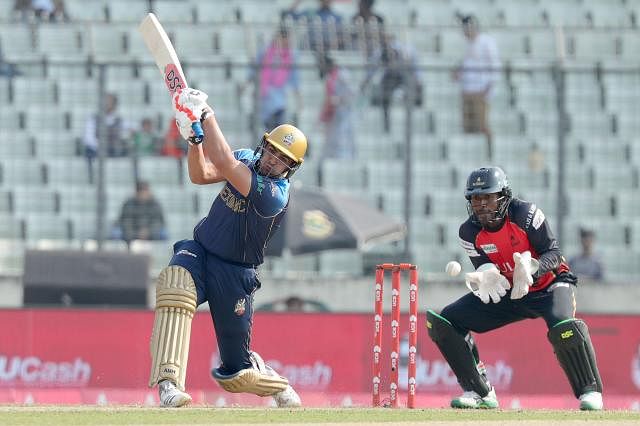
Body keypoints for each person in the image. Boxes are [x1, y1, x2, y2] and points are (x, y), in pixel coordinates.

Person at [147, 87, 308, 408]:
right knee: (175, 284)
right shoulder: (249, 157)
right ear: (265, 145)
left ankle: (272, 380)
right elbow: (202, 173)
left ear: (290, 168)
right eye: (272, 151)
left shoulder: (273, 194)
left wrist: (205, 114)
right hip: (201, 250)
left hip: (235, 272)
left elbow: (220, 157)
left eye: (282, 160)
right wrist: (194, 144)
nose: (273, 161)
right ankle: (168, 384)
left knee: (237, 375)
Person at [426, 166, 604, 411]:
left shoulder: (526, 214)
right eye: (476, 199)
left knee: (565, 328)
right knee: (445, 322)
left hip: (549, 286)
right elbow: (486, 270)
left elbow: (554, 253)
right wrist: (486, 275)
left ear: (503, 196)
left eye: (487, 197)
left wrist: (532, 268)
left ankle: (590, 392)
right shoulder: (468, 232)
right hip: (510, 292)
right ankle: (480, 392)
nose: (481, 205)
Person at [452, 15, 500, 160]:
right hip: (467, 90)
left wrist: (489, 87)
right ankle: (472, 156)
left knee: (482, 124)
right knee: (468, 126)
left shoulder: (486, 42)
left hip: (481, 90)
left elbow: (495, 65)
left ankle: (489, 154)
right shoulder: (468, 45)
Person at [242, 26, 302, 132]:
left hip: (280, 98)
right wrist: (246, 84)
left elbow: (294, 78)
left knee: (278, 129)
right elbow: (253, 69)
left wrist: (298, 96)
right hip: (264, 96)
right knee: (266, 128)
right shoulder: (265, 52)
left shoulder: (290, 56)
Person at [361, 32, 422, 133]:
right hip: (389, 76)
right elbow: (372, 68)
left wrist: (418, 80)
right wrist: (365, 81)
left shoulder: (407, 49)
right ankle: (386, 126)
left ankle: (409, 125)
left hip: (403, 75)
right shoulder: (380, 51)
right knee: (385, 99)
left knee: (409, 95)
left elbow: (415, 67)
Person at [318, 55, 355, 160]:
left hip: (344, 113)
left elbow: (351, 93)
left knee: (343, 140)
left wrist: (339, 100)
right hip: (333, 113)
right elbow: (328, 98)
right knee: (331, 141)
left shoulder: (342, 74)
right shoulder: (329, 77)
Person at [113, 181, 167, 245]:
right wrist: (137, 234)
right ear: (137, 192)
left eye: (145, 191)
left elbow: (158, 222)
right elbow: (126, 222)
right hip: (132, 234)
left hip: (151, 234)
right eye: (141, 192)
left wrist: (148, 232)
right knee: (117, 233)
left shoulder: (155, 204)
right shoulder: (128, 204)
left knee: (163, 233)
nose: (144, 194)